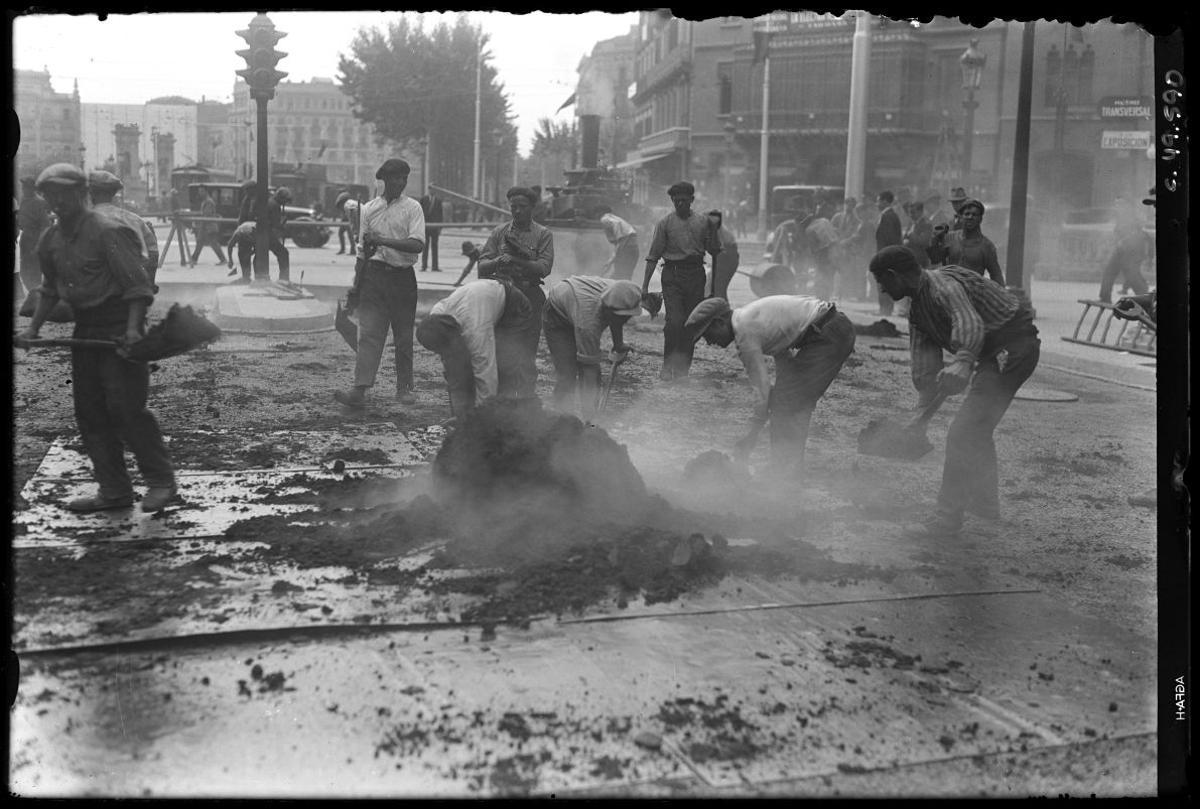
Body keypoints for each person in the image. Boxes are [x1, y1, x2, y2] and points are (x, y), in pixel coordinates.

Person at [14, 163, 177, 513]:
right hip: (85, 329)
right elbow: (49, 290)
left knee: (126, 409)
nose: (58, 202)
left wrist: (133, 331)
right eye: (51, 195)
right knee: (90, 413)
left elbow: (138, 287)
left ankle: (161, 481)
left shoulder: (108, 232)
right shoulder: (51, 239)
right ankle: (114, 491)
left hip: (120, 324)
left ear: (82, 193)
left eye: (65, 194)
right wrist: (32, 329)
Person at [868, 244, 1040, 538]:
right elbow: (925, 365)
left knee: (964, 432)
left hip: (1014, 348)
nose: (882, 290)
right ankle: (984, 504)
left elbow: (968, 322)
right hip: (989, 354)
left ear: (895, 276)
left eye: (882, 282)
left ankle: (947, 518)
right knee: (977, 427)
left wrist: (963, 360)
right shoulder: (918, 309)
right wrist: (920, 416)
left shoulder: (942, 286)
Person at [686, 293, 855, 476]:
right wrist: (779, 394)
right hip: (833, 328)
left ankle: (785, 474)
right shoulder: (749, 318)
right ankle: (784, 469)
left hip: (828, 335)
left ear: (719, 322)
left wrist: (751, 435)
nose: (709, 342)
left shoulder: (744, 334)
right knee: (787, 400)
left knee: (788, 405)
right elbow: (783, 357)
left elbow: (762, 391)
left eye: (707, 334)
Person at [334, 158, 426, 409]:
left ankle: (405, 388)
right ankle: (359, 390)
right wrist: (356, 287)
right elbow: (362, 252)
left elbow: (417, 244)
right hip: (374, 277)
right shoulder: (368, 209)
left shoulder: (413, 208)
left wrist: (383, 240)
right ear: (384, 180)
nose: (401, 182)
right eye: (396, 178)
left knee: (403, 336)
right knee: (369, 334)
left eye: (404, 178)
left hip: (402, 278)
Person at [477, 186, 555, 398]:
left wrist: (518, 260)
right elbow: (482, 266)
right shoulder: (499, 232)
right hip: (503, 297)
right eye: (513, 207)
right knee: (502, 351)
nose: (517, 211)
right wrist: (498, 261)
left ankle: (526, 404)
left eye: (523, 206)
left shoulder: (543, 234)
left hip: (530, 297)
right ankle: (505, 402)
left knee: (527, 354)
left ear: (533, 207)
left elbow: (544, 268)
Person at [416, 278, 532, 418]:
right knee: (460, 364)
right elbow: (453, 372)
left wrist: (478, 419)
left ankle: (514, 415)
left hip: (512, 306)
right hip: (480, 302)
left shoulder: (476, 331)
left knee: (504, 367)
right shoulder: (436, 318)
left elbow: (486, 376)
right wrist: (457, 414)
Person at [641, 181, 722, 381]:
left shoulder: (703, 222)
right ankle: (667, 366)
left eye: (684, 200)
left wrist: (714, 229)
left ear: (692, 200)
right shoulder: (665, 224)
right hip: (672, 275)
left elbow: (714, 251)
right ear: (672, 201)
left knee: (690, 324)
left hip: (696, 275)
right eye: (676, 201)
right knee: (674, 322)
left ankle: (682, 371)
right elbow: (653, 256)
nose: (680, 204)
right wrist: (644, 286)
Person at [542, 276, 640, 421]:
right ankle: (562, 418)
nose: (626, 320)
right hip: (557, 314)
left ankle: (588, 420)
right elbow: (589, 371)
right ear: (608, 312)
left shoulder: (620, 292)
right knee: (568, 372)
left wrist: (618, 344)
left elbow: (617, 318)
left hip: (575, 298)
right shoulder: (588, 324)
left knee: (592, 369)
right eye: (621, 317)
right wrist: (591, 420)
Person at [87, 170, 161, 288]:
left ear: (91, 194)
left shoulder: (85, 222)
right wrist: (148, 284)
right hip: (134, 285)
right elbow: (152, 251)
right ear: (113, 193)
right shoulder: (134, 219)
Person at [928, 198, 1004, 284]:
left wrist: (1001, 291)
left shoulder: (987, 246)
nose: (970, 217)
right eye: (967, 214)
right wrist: (935, 239)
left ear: (980, 219)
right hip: (950, 288)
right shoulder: (950, 238)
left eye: (974, 215)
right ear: (961, 217)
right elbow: (935, 259)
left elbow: (996, 275)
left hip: (974, 290)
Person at [1098, 196, 1151, 303]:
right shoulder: (1120, 217)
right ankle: (1105, 297)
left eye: (1120, 204)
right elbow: (1118, 233)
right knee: (1109, 272)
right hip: (1121, 249)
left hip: (1132, 251)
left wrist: (1125, 240)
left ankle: (1145, 298)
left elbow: (1139, 234)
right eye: (1116, 204)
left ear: (1127, 205)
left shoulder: (1133, 216)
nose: (1117, 206)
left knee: (1132, 275)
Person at [17, 176, 52, 294]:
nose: (23, 189)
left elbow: (45, 225)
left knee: (34, 274)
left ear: (32, 188)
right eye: (23, 187)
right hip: (25, 240)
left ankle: (37, 297)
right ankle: (35, 294)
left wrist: (38, 245)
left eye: (26, 187)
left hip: (35, 240)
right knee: (24, 272)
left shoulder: (39, 202)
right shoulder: (24, 200)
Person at [873, 190, 903, 316]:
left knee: (884, 282)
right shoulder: (888, 215)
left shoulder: (888, 216)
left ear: (885, 201)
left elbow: (889, 239)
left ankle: (885, 309)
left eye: (878, 201)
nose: (877, 204)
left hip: (886, 256)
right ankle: (884, 309)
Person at [805, 201, 840, 300]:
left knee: (823, 277)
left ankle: (823, 298)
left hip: (825, 253)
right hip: (826, 252)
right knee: (825, 277)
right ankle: (823, 298)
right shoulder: (823, 222)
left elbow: (829, 242)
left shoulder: (817, 225)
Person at [596, 205, 640, 281]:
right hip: (633, 248)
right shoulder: (615, 218)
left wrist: (611, 260)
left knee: (621, 275)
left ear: (599, 213)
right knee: (624, 275)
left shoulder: (605, 219)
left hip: (627, 247)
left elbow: (619, 235)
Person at [187, 187, 227, 268]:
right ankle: (194, 259)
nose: (200, 193)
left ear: (206, 191)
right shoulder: (205, 201)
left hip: (209, 226)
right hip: (206, 226)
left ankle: (223, 259)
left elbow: (207, 214)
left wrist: (199, 222)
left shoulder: (208, 202)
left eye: (202, 191)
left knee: (213, 244)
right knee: (200, 242)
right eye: (199, 191)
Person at [707, 210, 740, 300]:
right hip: (728, 258)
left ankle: (722, 307)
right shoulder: (720, 229)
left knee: (718, 288)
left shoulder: (717, 230)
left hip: (726, 259)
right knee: (718, 288)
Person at [267, 187, 292, 282]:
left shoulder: (270, 202)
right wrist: (283, 224)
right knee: (283, 253)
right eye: (285, 201)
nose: (284, 203)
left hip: (264, 233)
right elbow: (276, 224)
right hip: (267, 234)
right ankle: (284, 278)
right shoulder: (275, 206)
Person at [419, 191, 444, 272]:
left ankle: (435, 266)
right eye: (430, 189)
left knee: (435, 247)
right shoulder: (423, 199)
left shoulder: (438, 201)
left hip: (435, 227)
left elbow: (440, 214)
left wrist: (440, 227)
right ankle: (424, 266)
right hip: (425, 226)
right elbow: (419, 212)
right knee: (425, 247)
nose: (432, 191)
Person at [334, 190, 361, 256]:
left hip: (348, 217)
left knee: (349, 234)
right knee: (342, 233)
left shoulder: (343, 196)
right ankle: (344, 249)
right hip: (346, 217)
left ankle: (351, 249)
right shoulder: (344, 196)